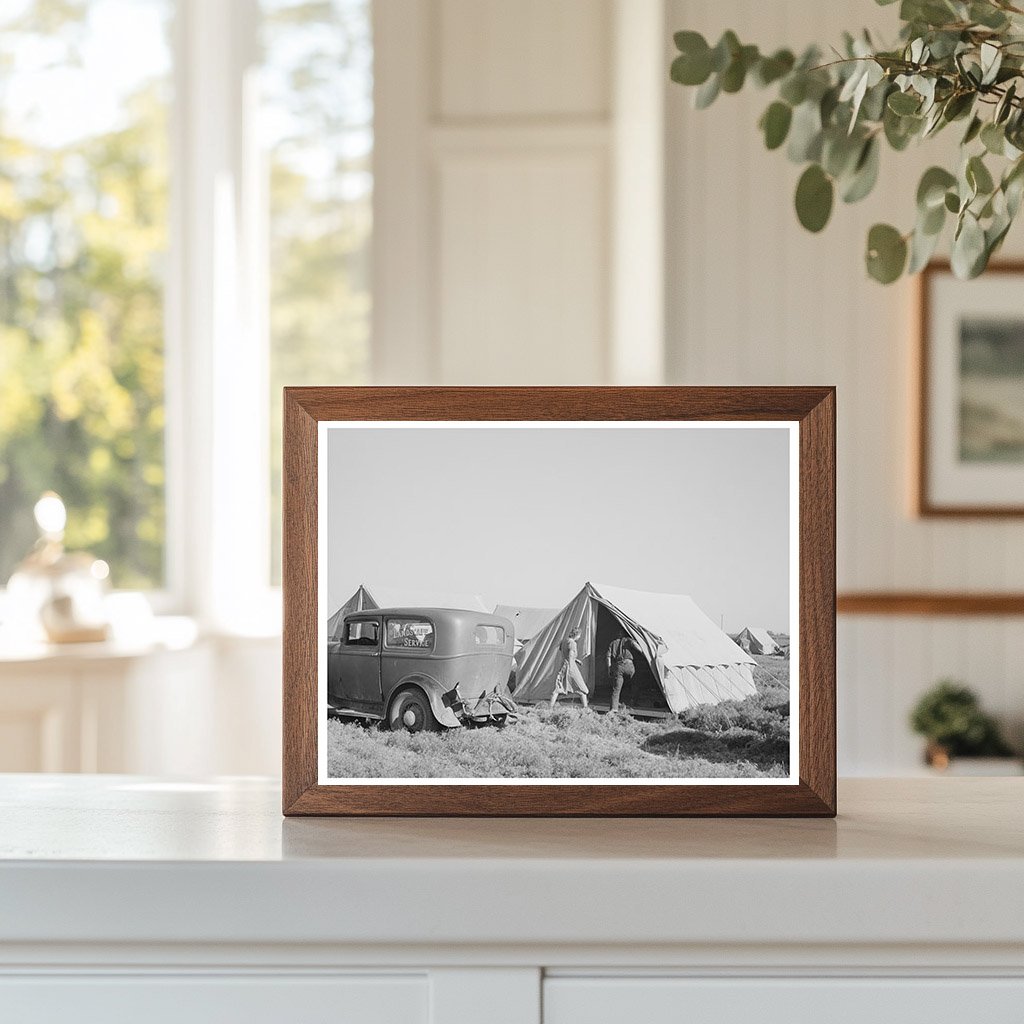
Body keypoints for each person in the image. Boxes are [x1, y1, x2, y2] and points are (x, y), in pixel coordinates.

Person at [550, 626, 588, 708]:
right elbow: (570, 655)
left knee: (558, 686)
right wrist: (571, 668)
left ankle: (550, 707)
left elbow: (565, 653)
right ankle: (585, 708)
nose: (579, 637)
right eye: (579, 635)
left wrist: (576, 660)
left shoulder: (564, 641)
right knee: (582, 688)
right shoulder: (572, 643)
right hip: (570, 666)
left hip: (563, 665)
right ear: (576, 635)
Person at [606, 635, 636, 713]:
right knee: (634, 684)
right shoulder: (628, 640)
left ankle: (614, 709)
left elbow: (608, 657)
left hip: (619, 666)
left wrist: (609, 669)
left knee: (616, 689)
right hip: (629, 665)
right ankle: (632, 703)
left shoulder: (612, 643)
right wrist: (643, 651)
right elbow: (635, 645)